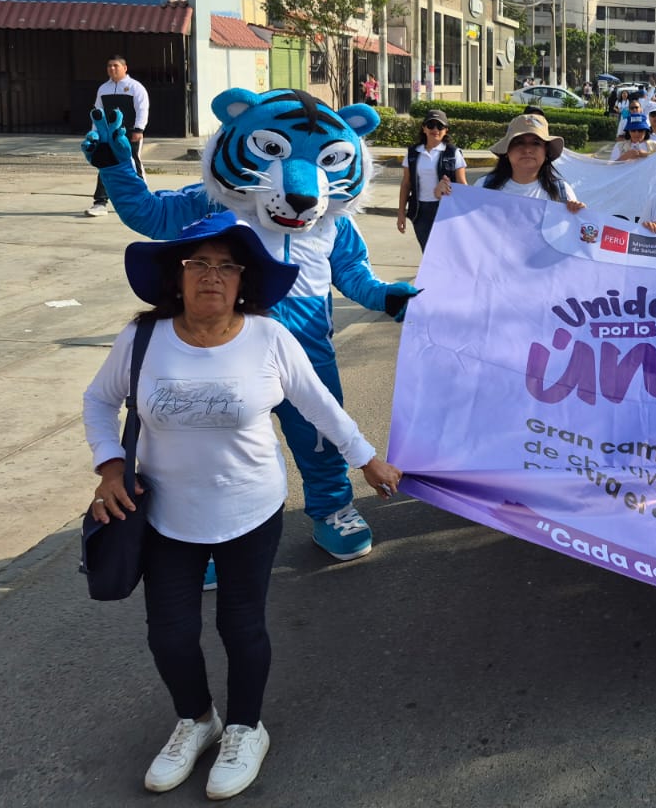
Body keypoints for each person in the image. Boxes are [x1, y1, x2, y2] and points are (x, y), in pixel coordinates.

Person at [83, 212, 403, 798]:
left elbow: (320, 406)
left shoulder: (270, 338)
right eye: (198, 264)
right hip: (165, 516)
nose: (212, 276)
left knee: (241, 625)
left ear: (243, 281)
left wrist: (367, 457)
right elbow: (99, 401)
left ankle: (245, 728)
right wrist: (109, 466)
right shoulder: (143, 339)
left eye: (226, 266)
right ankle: (197, 720)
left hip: (249, 511)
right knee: (169, 635)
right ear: (176, 277)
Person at [80, 87, 416, 562]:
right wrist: (117, 166)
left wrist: (384, 295)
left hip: (306, 349)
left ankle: (331, 509)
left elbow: (353, 274)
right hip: (221, 345)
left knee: (318, 435)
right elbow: (151, 214)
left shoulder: (333, 222)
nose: (302, 187)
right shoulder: (213, 203)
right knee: (211, 443)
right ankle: (206, 533)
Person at [85, 55, 149, 217]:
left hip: (129, 133)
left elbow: (142, 109)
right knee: (105, 166)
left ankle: (144, 199)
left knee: (133, 163)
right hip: (107, 136)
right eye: (109, 66)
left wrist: (139, 129)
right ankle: (100, 203)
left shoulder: (135, 87)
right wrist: (95, 133)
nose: (112, 69)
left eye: (115, 66)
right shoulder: (103, 89)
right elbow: (97, 112)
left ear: (125, 68)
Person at [396, 110, 466, 250]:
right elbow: (406, 184)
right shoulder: (413, 153)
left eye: (440, 126)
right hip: (420, 210)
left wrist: (447, 187)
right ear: (424, 128)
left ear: (446, 130)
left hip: (445, 210)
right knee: (427, 250)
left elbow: (463, 185)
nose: (435, 130)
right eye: (431, 125)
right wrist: (401, 213)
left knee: (445, 251)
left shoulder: (453, 153)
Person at [484, 114, 586, 210]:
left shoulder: (561, 192)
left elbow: (572, 227)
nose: (527, 149)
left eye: (536, 143)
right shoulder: (483, 187)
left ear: (546, 151)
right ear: (506, 150)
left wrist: (578, 215)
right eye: (519, 142)